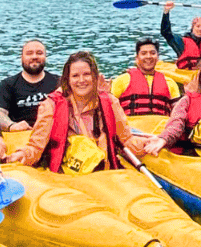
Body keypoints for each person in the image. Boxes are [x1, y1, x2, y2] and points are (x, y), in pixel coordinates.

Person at [12, 52, 162, 172]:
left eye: (86, 74)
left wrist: (149, 143)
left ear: (95, 76)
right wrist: (22, 155)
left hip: (105, 173)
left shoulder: (110, 102)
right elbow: (37, 146)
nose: (81, 80)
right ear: (67, 80)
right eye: (75, 76)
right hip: (67, 175)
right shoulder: (51, 106)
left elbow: (127, 140)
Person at [0, 40, 60, 131]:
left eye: (39, 53)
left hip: (52, 132)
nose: (34, 57)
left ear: (45, 57)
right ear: (22, 58)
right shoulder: (7, 85)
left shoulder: (59, 83)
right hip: (19, 134)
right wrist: (12, 126)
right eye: (29, 53)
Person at [114, 38, 181, 116]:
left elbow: (178, 114)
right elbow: (109, 107)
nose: (148, 56)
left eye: (152, 53)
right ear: (137, 58)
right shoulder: (121, 81)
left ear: (158, 57)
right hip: (131, 126)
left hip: (160, 126)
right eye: (143, 53)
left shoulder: (170, 83)